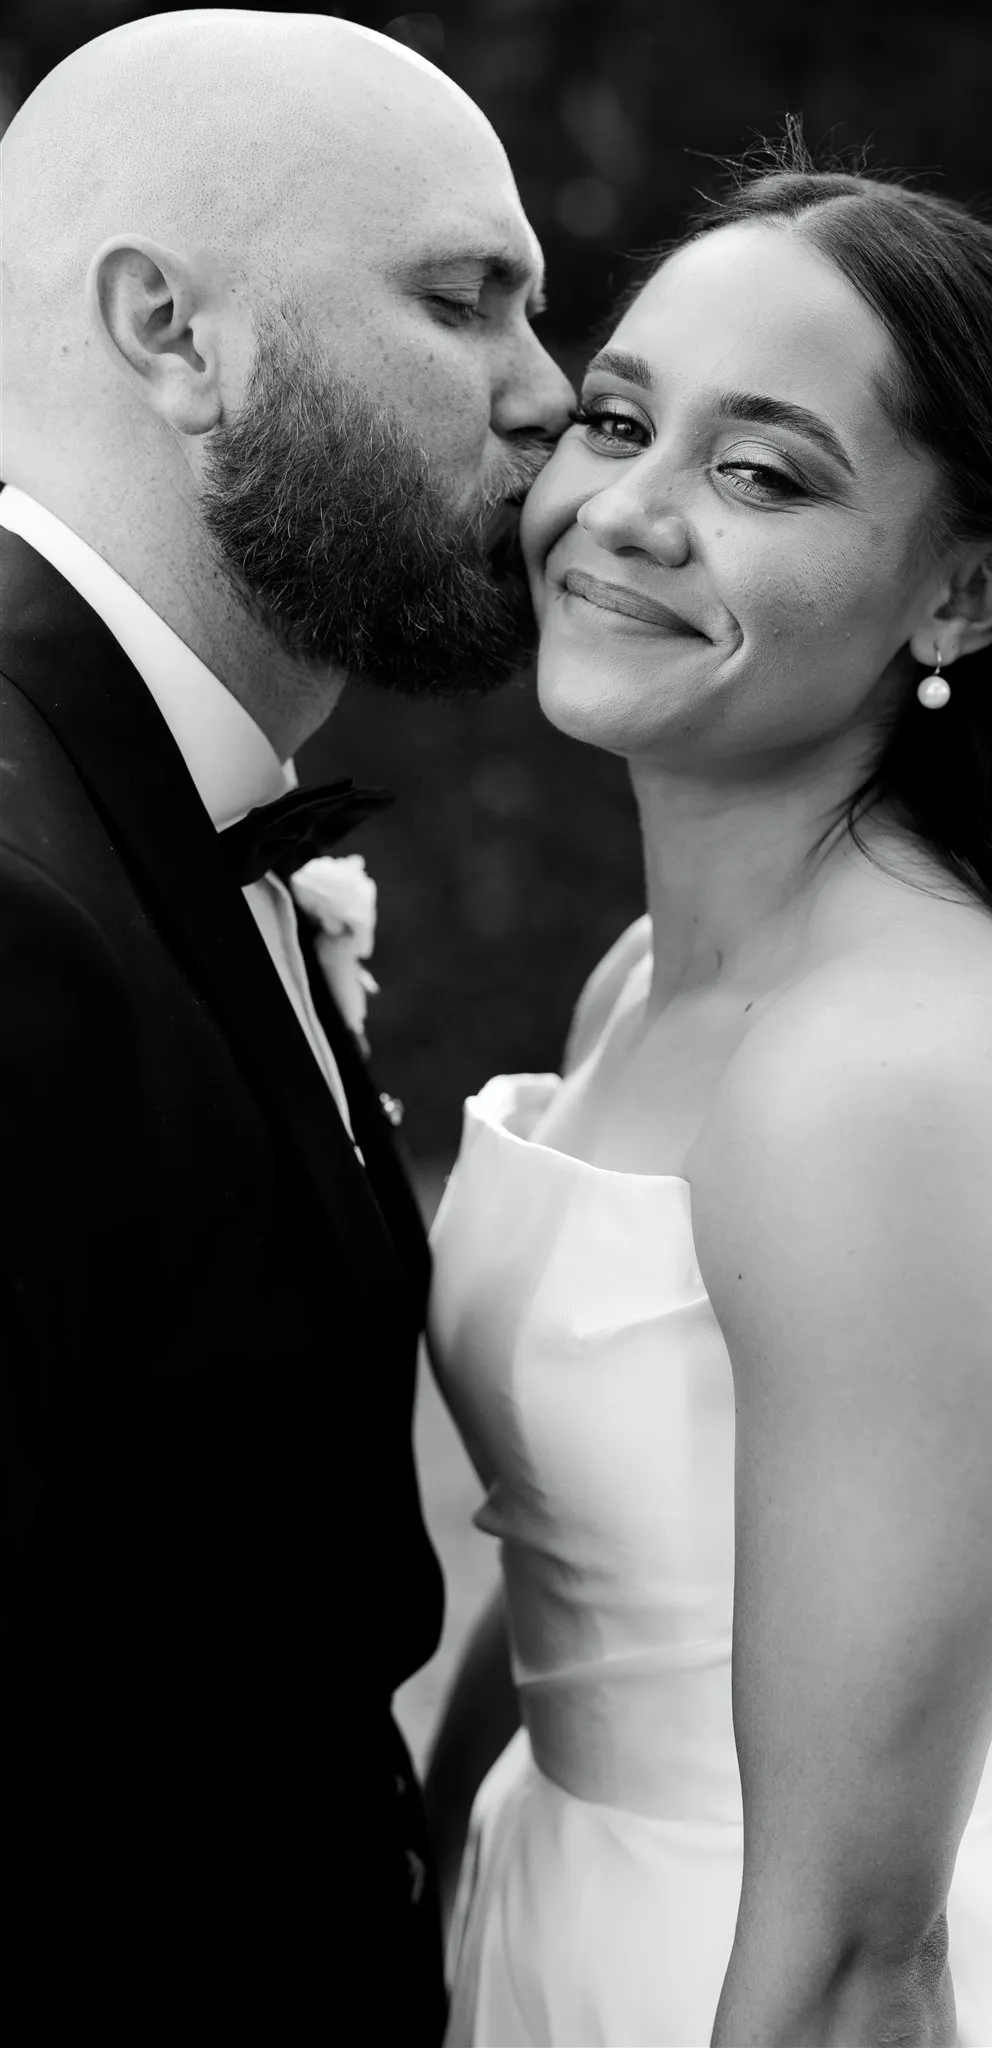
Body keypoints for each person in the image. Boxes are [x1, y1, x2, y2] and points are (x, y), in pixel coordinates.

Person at [425, 151, 992, 2045]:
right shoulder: (657, 977)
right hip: (568, 1898)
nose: (628, 511)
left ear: (965, 594)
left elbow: (861, 1953)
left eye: (760, 473)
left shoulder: (884, 1087)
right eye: (619, 418)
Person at [0, 12, 571, 2040]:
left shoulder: (170, 812)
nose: (548, 394)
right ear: (171, 330)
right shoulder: (17, 898)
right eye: (462, 300)